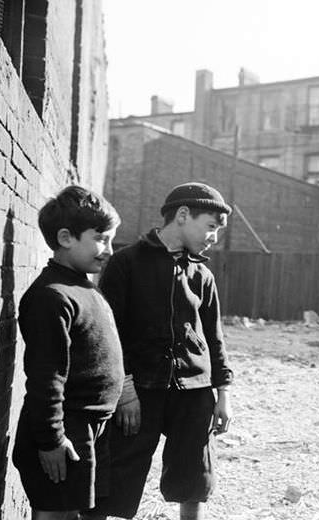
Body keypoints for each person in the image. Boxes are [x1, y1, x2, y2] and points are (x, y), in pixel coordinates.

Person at [84, 182, 234, 520]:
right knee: (118, 473)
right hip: (140, 390)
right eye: (210, 227)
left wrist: (222, 393)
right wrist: (125, 390)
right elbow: (110, 335)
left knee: (194, 473)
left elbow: (214, 338)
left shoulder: (203, 275)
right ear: (182, 215)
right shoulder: (126, 263)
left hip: (194, 391)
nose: (214, 237)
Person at [12, 186, 124, 520]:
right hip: (65, 429)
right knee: (55, 514)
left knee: (77, 513)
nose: (109, 250)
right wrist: (51, 440)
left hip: (89, 426)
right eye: (101, 238)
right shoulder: (52, 296)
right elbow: (46, 375)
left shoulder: (83, 287)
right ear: (65, 237)